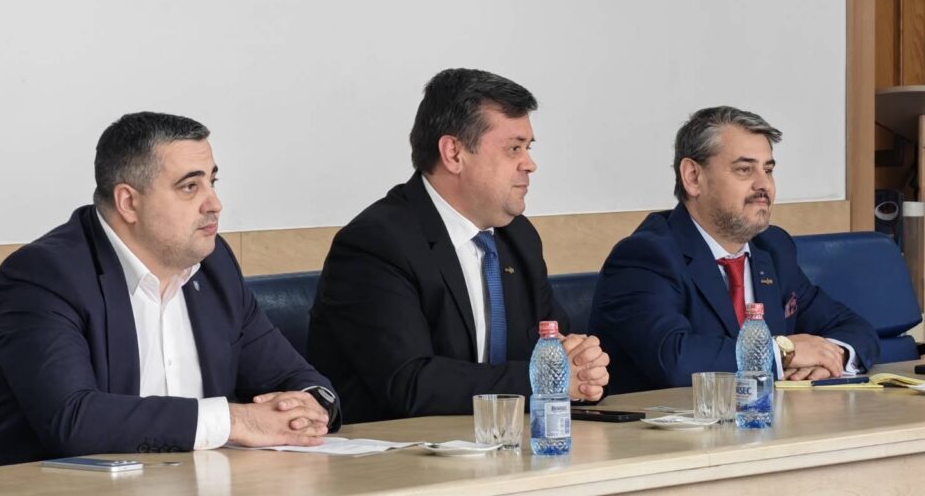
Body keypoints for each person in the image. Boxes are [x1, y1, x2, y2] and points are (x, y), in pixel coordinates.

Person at [0, 112, 340, 466]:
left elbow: (294, 376)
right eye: (190, 187)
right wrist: (235, 421)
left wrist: (308, 407)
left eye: (213, 182)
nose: (214, 203)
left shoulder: (213, 265)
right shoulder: (45, 276)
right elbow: (73, 420)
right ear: (129, 202)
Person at [307, 68, 609, 423]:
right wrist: (545, 380)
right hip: (398, 460)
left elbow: (555, 349)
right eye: (514, 148)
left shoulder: (518, 238)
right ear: (453, 153)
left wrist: (583, 366)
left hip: (503, 447)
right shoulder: (376, 243)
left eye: (528, 148)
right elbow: (410, 383)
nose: (530, 164)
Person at [590, 106, 880, 395]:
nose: (764, 185)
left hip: (768, 425)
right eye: (744, 170)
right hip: (671, 434)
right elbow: (675, 359)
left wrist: (834, 355)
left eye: (768, 169)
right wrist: (782, 354)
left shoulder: (772, 247)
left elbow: (852, 326)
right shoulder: (645, 256)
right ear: (693, 177)